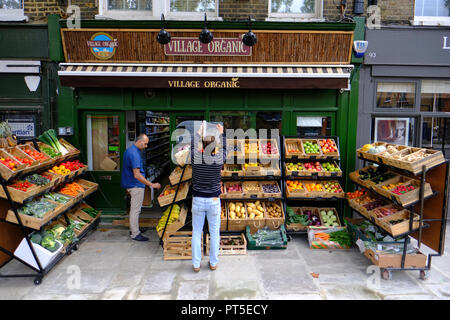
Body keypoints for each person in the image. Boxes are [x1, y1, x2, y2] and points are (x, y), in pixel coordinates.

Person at [190, 123, 226, 272]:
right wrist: (221, 134)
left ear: (202, 146)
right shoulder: (218, 160)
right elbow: (225, 150)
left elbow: (192, 148)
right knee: (214, 232)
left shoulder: (196, 159)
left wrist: (197, 134)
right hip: (213, 200)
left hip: (198, 199)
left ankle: (196, 265)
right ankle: (213, 263)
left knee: (197, 232)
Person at [121, 133, 161, 241]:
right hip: (135, 185)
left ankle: (134, 228)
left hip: (130, 183)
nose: (146, 146)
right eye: (145, 144)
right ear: (139, 142)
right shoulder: (134, 154)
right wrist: (151, 185)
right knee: (135, 210)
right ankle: (135, 233)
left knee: (134, 209)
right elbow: (137, 174)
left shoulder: (129, 150)